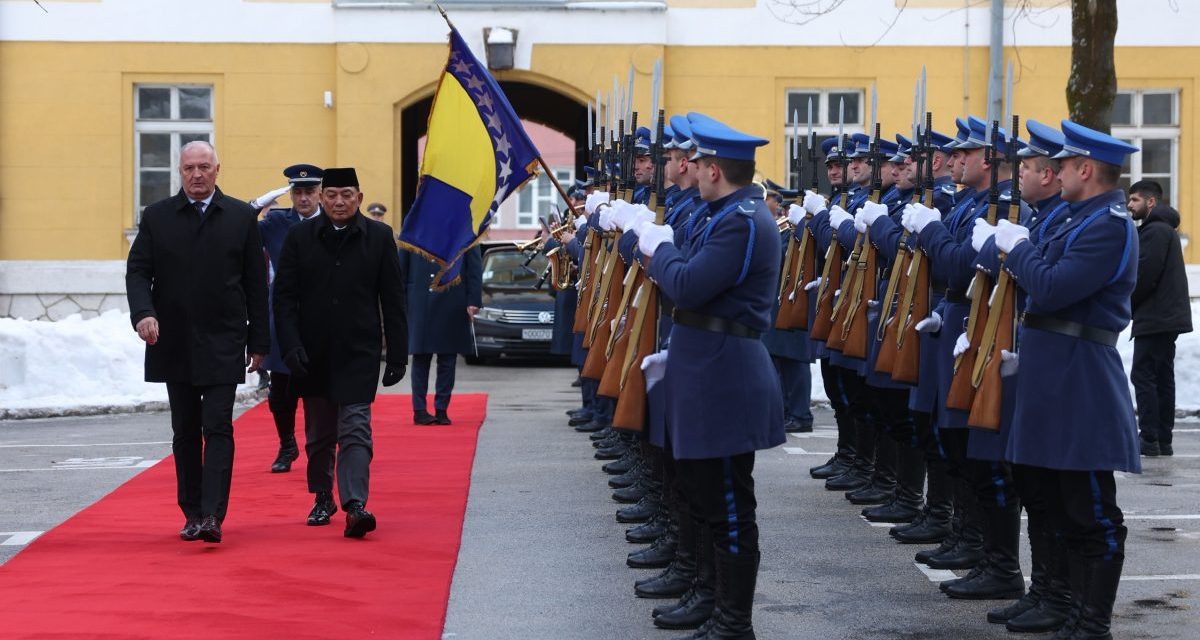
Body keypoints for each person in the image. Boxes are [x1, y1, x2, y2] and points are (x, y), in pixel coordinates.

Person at [632, 111, 784, 638]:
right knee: (702, 493)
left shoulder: (742, 221)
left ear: (714, 169)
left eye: (694, 162)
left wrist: (659, 247)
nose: (687, 169)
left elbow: (690, 286)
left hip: (725, 374)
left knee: (726, 501)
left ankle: (733, 621)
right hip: (705, 366)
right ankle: (712, 601)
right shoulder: (724, 216)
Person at [993, 120, 1142, 639]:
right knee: (1044, 493)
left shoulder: (1107, 225)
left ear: (1086, 169)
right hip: (1048, 369)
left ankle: (1090, 620)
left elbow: (1053, 288)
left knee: (1089, 507)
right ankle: (1056, 599)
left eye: (1060, 165)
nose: (1051, 173)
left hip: (1080, 375)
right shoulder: (1074, 219)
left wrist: (1017, 251)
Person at [126, 140, 269, 544]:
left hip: (224, 339)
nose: (197, 174)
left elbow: (256, 286)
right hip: (174, 340)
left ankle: (212, 515)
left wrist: (259, 341)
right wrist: (144, 313)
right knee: (186, 430)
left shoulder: (241, 217)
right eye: (189, 168)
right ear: (180, 172)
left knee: (218, 425)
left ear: (217, 169)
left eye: (204, 166)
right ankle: (191, 512)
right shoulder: (157, 217)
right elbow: (137, 272)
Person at [272, 167, 408, 538]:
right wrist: (290, 346)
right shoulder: (300, 238)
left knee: (356, 429)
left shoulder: (378, 237)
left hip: (358, 352)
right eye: (331, 194)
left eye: (346, 194)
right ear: (320, 198)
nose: (338, 201)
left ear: (359, 198)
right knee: (318, 434)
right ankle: (322, 496)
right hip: (311, 353)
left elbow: (393, 299)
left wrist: (398, 353)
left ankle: (355, 504)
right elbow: (283, 298)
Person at [253, 163, 324, 473]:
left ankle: (319, 448)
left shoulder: (334, 221)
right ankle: (287, 444)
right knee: (280, 393)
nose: (304, 198)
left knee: (318, 391)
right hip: (283, 316)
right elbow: (238, 227)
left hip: (321, 316)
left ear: (320, 194)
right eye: (298, 192)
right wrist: (258, 204)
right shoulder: (277, 222)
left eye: (310, 192)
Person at [1128, 179, 1192, 457]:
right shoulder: (1164, 230)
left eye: (1135, 200)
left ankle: (1150, 438)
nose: (1130, 205)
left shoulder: (1154, 231)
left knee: (1144, 375)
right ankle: (1162, 439)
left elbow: (1145, 275)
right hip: (1166, 315)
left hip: (1155, 315)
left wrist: (1126, 304)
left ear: (1150, 202)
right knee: (1162, 376)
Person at [398, 246, 482, 425]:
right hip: (420, 299)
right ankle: (419, 410)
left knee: (448, 357)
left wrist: (474, 299)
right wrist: (400, 302)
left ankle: (442, 409)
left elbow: (473, 266)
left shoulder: (464, 223)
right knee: (420, 356)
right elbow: (401, 267)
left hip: (452, 298)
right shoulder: (415, 221)